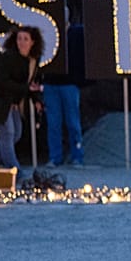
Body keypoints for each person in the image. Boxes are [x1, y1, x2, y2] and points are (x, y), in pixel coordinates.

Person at [0, 26, 44, 169]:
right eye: (19, 38)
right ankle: (16, 171)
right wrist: (25, 89)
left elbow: (31, 83)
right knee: (8, 135)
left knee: (15, 135)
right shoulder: (8, 57)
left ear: (33, 42)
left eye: (25, 39)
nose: (22, 42)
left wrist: (36, 100)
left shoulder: (33, 61)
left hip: (15, 103)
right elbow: (2, 81)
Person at [41, 18, 85, 167]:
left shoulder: (76, 34)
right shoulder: (48, 34)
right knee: (53, 123)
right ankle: (55, 157)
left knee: (73, 122)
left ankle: (77, 156)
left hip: (69, 83)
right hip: (51, 83)